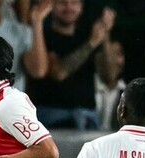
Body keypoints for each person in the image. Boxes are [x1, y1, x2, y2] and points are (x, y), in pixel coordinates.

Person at [31, 1, 116, 130]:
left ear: (81, 6)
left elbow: (109, 77)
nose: (69, 7)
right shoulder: (43, 35)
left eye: (74, 2)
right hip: (52, 117)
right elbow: (58, 73)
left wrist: (105, 35)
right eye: (62, 3)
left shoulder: (88, 34)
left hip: (88, 117)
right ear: (51, 5)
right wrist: (91, 43)